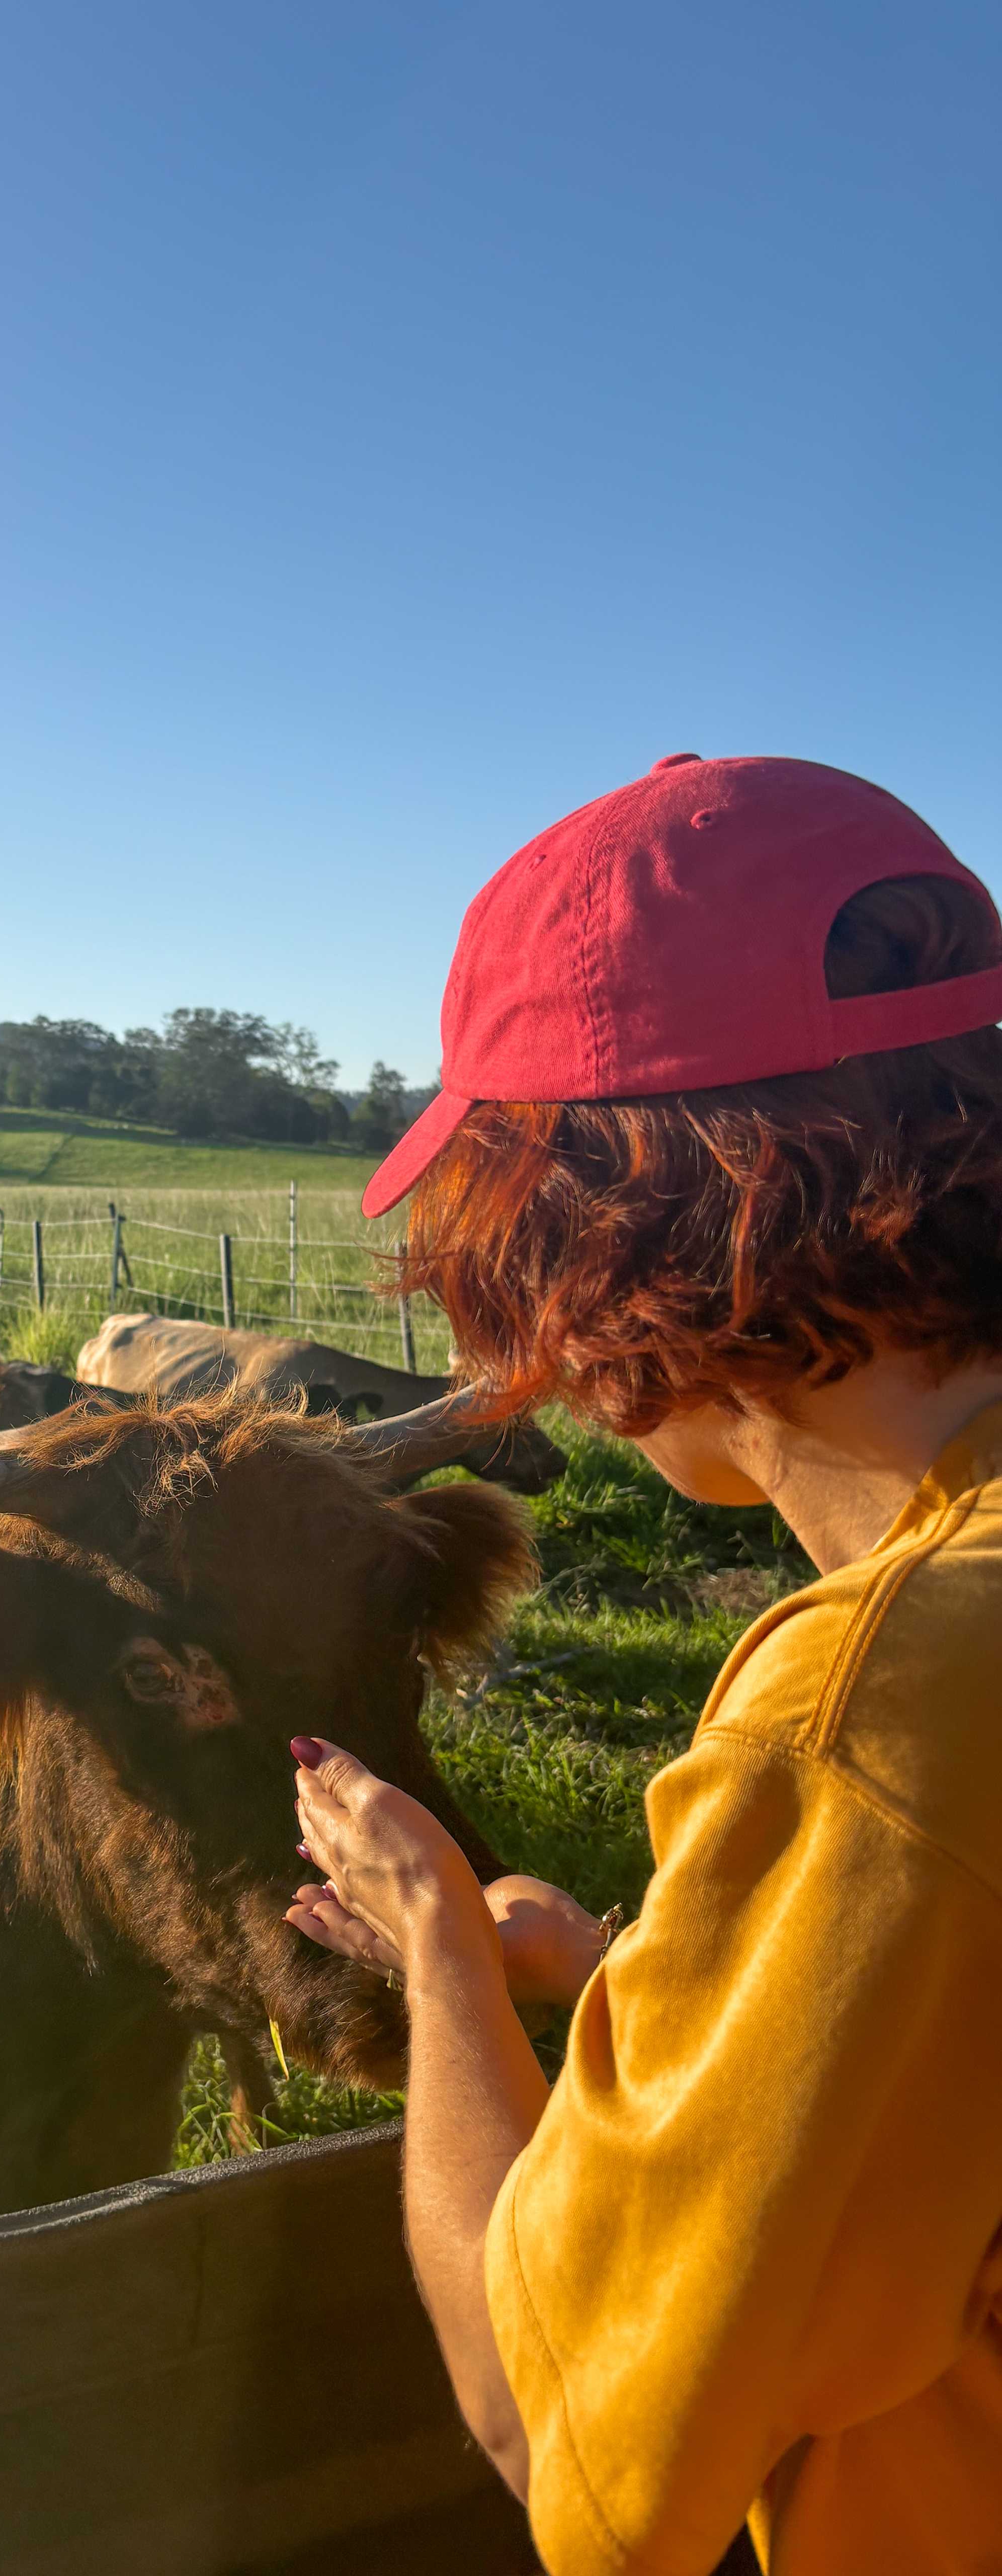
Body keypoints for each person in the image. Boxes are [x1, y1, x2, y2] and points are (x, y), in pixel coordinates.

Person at [287, 754, 1002, 2575]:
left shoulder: (885, 1712)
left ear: (598, 1228)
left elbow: (567, 2440)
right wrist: (637, 1981)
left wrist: (446, 1952)